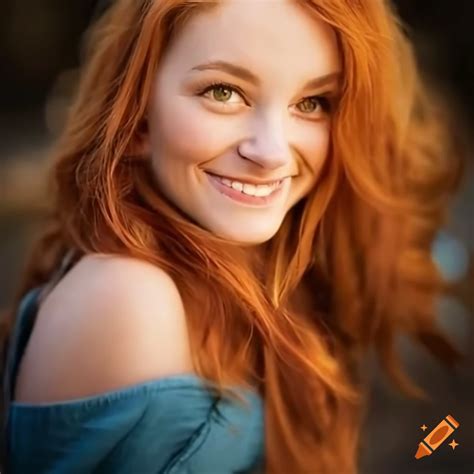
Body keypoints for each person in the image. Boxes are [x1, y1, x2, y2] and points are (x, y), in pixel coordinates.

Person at [0, 0, 465, 472]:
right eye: (223, 92)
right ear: (137, 116)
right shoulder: (127, 296)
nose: (271, 152)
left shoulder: (248, 268)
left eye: (311, 103)